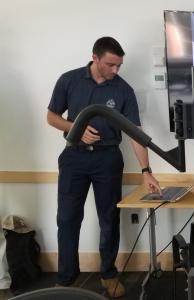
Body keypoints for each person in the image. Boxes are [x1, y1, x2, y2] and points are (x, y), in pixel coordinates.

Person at [47, 37, 161, 298]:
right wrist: (75, 128)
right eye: (111, 64)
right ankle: (66, 279)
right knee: (67, 219)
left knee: (108, 218)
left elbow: (135, 134)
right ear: (95, 58)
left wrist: (146, 171)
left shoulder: (123, 90)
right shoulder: (69, 80)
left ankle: (108, 274)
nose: (115, 71)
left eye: (119, 65)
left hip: (107, 159)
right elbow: (51, 117)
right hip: (74, 157)